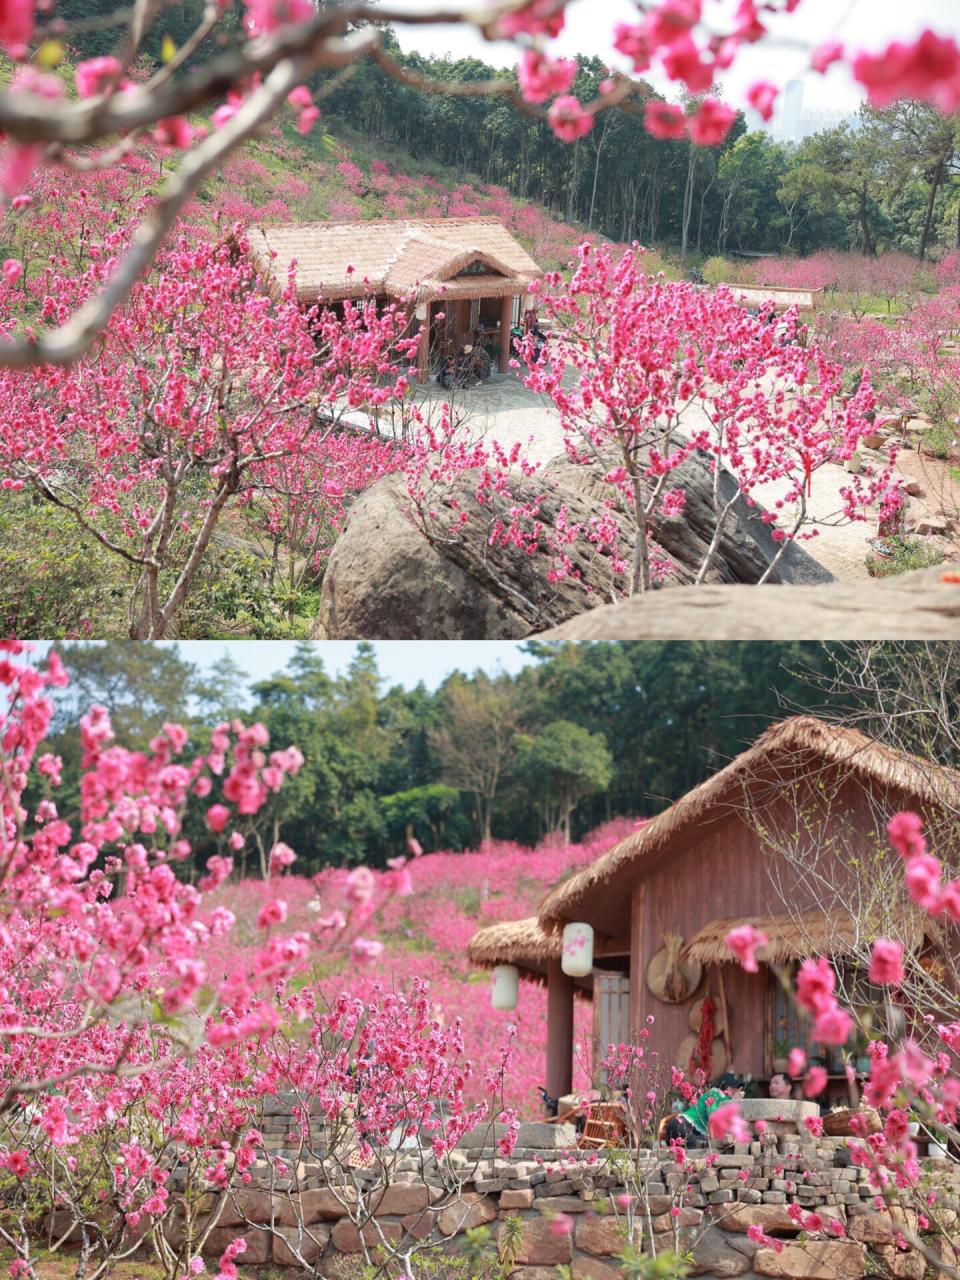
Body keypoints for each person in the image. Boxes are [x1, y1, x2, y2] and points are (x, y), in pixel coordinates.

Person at [663, 1072, 744, 1147]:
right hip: (683, 1126)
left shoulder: (720, 1098)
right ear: (727, 1087)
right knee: (705, 1147)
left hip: (683, 1128)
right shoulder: (716, 1093)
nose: (738, 1091)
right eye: (735, 1088)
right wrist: (734, 1101)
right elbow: (714, 1117)